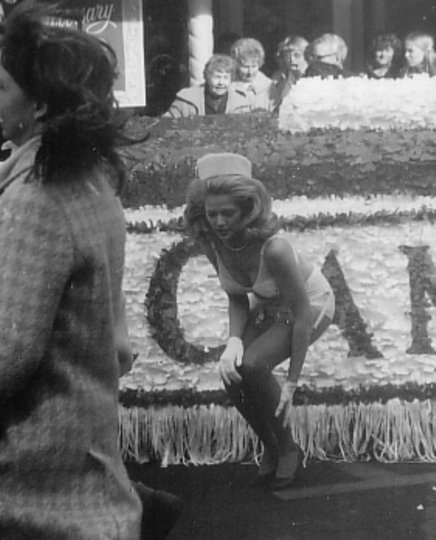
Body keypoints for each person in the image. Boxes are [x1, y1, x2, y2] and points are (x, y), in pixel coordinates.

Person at [0, 2, 144, 538]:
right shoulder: (88, 179)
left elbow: (8, 354)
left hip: (35, 489)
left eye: (1, 88)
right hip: (83, 474)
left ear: (38, 105)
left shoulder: (34, 198)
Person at [184, 153, 335, 490]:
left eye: (228, 213)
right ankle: (270, 445)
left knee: (253, 366)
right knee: (232, 376)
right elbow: (236, 294)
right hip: (269, 304)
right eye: (212, 214)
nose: (219, 222)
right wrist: (233, 341)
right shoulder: (212, 241)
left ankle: (289, 448)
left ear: (248, 209)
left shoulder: (275, 249)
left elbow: (302, 314)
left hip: (310, 305)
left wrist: (291, 383)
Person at [164, 53, 250, 118]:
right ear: (207, 77)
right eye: (217, 77)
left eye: (226, 77)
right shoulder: (186, 99)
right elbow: (167, 123)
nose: (221, 82)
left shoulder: (240, 104)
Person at [230, 37, 279, 112]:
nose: (250, 72)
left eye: (253, 66)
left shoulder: (268, 86)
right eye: (245, 67)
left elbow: (276, 113)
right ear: (236, 64)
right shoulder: (228, 84)